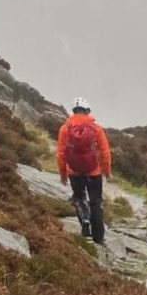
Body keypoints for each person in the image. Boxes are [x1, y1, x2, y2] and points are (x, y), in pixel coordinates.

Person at [57, 97, 112, 244]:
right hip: (94, 171)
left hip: (74, 171)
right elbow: (105, 152)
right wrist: (107, 171)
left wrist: (63, 173)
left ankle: (85, 220)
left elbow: (61, 154)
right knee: (96, 202)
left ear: (74, 111)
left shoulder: (65, 128)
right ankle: (98, 237)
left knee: (79, 198)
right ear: (87, 111)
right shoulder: (96, 128)